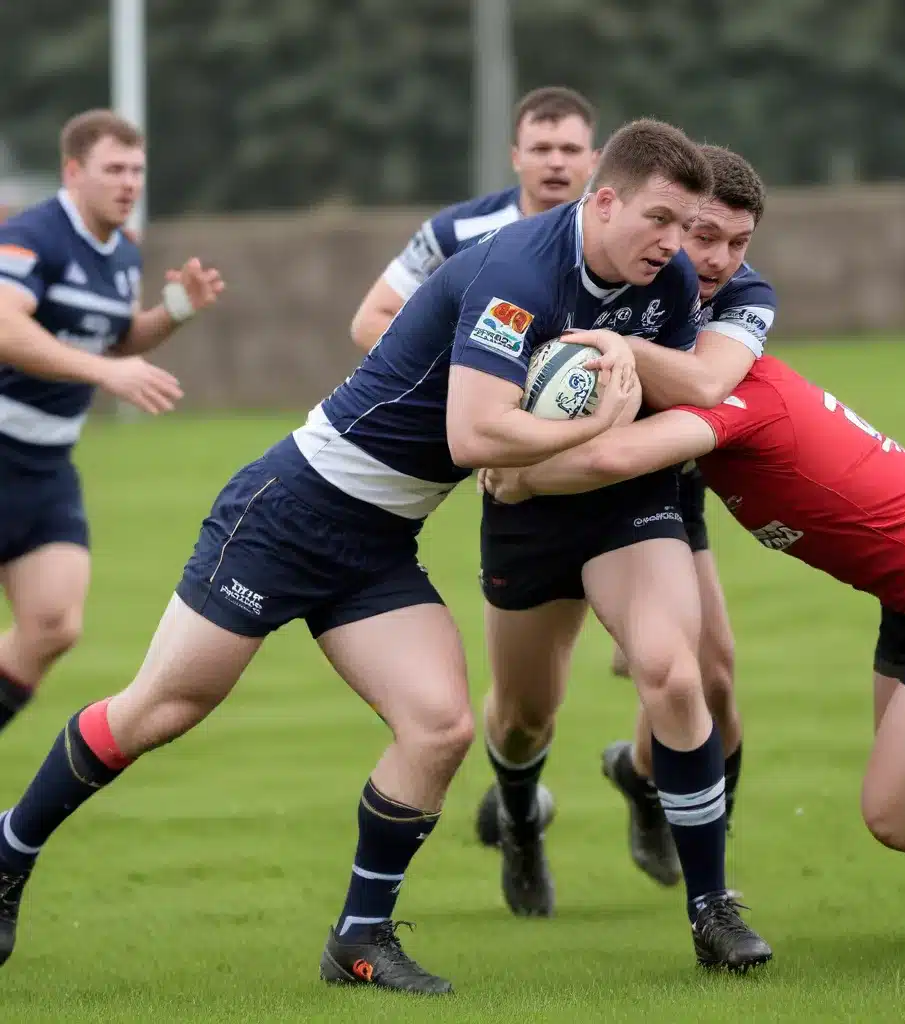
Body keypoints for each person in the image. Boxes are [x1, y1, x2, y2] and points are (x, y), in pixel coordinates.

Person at [0, 117, 708, 995]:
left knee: (442, 725)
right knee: (160, 710)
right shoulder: (519, 270)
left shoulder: (655, 283)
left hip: (378, 539)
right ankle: (9, 851)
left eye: (688, 228)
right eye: (661, 222)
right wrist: (601, 420)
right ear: (605, 203)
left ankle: (359, 939)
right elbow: (475, 431)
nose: (678, 246)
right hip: (289, 512)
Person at [483, 353, 905, 901]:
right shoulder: (707, 396)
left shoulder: (737, 398)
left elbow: (610, 459)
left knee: (898, 813)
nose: (720, 262)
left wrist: (521, 477)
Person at [474, 140, 774, 970]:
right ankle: (520, 813)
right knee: (524, 710)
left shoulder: (707, 288)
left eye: (719, 238)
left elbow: (698, 387)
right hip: (527, 509)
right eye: (679, 226)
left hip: (641, 494)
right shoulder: (522, 266)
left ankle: (710, 904)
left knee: (683, 674)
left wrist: (608, 352)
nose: (694, 253)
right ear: (613, 205)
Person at [0, 109, 222, 736]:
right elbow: (5, 325)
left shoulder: (122, 253)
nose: (129, 183)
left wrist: (174, 311)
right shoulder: (33, 235)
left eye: (137, 170)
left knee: (52, 624)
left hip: (45, 463)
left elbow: (113, 339)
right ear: (73, 172)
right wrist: (100, 373)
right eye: (114, 169)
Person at [350, 85, 599, 353]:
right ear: (515, 158)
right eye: (541, 149)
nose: (556, 162)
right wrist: (463, 376)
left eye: (570, 150)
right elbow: (370, 322)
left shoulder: (623, 234)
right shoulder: (454, 231)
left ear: (594, 161)